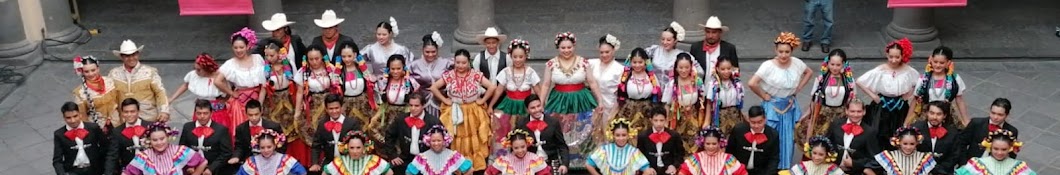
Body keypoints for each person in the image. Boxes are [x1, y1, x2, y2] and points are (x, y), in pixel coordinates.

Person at [748, 32, 814, 169]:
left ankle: (784, 168)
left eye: (787, 52)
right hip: (772, 107)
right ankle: (767, 167)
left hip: (789, 107)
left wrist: (798, 89)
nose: (783, 55)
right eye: (781, 52)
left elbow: (809, 72)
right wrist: (763, 95)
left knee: (788, 140)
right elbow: (752, 83)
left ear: (792, 51)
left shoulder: (797, 63)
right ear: (775, 50)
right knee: (769, 138)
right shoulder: (768, 66)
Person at [540, 32, 605, 162]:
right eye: (563, 48)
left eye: (569, 47)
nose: (566, 50)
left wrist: (600, 101)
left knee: (584, 128)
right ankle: (561, 159)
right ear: (558, 48)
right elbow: (546, 84)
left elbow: (592, 82)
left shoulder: (583, 62)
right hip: (559, 100)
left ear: (574, 46)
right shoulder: (551, 64)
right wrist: (541, 103)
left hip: (581, 100)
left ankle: (585, 161)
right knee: (560, 129)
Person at [429, 49, 498, 173]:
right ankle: (458, 166)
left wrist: (482, 101)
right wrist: (445, 99)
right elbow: (434, 88)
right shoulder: (449, 75)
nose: (460, 66)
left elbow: (492, 87)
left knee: (474, 138)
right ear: (454, 62)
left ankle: (475, 167)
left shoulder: (475, 74)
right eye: (458, 62)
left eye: (463, 63)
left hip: (473, 111)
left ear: (469, 63)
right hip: (455, 110)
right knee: (457, 138)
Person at [856, 38, 919, 150]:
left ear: (902, 56)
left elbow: (919, 83)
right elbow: (860, 81)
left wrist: (909, 94)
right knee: (877, 131)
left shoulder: (908, 70)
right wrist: (873, 96)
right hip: (881, 105)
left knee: (898, 131)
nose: (894, 60)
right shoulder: (881, 69)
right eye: (891, 57)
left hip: (899, 105)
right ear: (887, 55)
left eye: (897, 57)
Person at [489, 39, 540, 159]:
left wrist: (540, 106)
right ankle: (503, 158)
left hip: (525, 105)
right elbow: (499, 90)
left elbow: (539, 90)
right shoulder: (506, 72)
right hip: (509, 104)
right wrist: (491, 105)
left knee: (527, 130)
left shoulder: (530, 72)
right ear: (511, 56)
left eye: (521, 56)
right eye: (515, 56)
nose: (518, 59)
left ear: (526, 56)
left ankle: (528, 157)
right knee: (502, 126)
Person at [796, 49, 855, 145]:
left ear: (843, 64)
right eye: (832, 64)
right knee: (820, 143)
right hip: (823, 114)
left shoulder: (849, 81)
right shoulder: (821, 79)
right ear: (827, 63)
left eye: (838, 65)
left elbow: (852, 99)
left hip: (841, 115)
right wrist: (807, 113)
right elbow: (814, 99)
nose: (835, 68)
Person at [169, 53, 238, 135]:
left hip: (216, 108)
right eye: (195, 69)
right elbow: (185, 85)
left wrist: (226, 99)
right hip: (201, 105)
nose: (196, 71)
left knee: (217, 130)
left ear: (207, 68)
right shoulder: (193, 75)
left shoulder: (219, 76)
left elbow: (228, 88)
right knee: (200, 130)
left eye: (199, 69)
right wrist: (172, 98)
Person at [261, 39, 307, 155]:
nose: (269, 58)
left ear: (279, 54)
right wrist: (259, 105)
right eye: (267, 55)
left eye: (272, 55)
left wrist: (299, 103)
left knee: (293, 129)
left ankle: (293, 155)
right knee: (275, 129)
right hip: (273, 102)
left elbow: (296, 82)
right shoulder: (265, 69)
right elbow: (262, 89)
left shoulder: (288, 64)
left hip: (288, 100)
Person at [108, 39, 170, 122]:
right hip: (124, 119)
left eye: (133, 55)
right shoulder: (114, 74)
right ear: (121, 57)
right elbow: (109, 96)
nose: (131, 58)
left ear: (138, 54)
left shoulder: (150, 72)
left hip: (148, 117)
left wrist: (164, 111)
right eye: (127, 56)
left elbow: (160, 92)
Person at [223, 27, 270, 132]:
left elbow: (264, 83)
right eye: (235, 47)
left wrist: (260, 103)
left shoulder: (257, 58)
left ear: (248, 46)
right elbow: (217, 80)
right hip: (240, 102)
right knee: (242, 130)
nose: (238, 50)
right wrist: (231, 92)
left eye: (241, 47)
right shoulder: (230, 63)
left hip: (258, 97)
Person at [909, 46, 968, 128]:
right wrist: (907, 121)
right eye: (935, 62)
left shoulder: (955, 79)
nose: (937, 65)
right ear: (930, 60)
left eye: (941, 63)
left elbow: (960, 101)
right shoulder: (923, 79)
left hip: (946, 115)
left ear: (948, 63)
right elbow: (915, 100)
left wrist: (966, 121)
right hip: (927, 114)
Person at [296, 45, 341, 147]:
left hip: (329, 105)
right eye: (311, 59)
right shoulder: (303, 72)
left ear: (322, 57)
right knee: (314, 132)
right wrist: (297, 112)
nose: (314, 62)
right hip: (312, 107)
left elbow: (337, 87)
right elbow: (299, 92)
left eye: (317, 58)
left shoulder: (331, 68)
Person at [384, 94, 442, 175]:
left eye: (416, 106)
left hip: (427, 161)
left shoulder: (433, 121)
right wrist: (392, 155)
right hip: (406, 159)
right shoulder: (401, 119)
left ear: (423, 105)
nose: (413, 109)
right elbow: (389, 135)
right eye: (411, 105)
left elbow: (443, 141)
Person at [661, 53, 706, 153]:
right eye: (680, 67)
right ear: (676, 68)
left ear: (691, 67)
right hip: (677, 118)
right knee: (678, 145)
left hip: (693, 117)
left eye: (687, 67)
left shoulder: (697, 81)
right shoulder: (672, 83)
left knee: (694, 146)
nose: (684, 70)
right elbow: (667, 104)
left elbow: (703, 99)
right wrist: (666, 123)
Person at [121, 122, 207, 175]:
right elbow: (127, 173)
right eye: (155, 140)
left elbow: (203, 162)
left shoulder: (179, 151)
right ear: (149, 140)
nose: (159, 143)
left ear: (168, 137)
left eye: (162, 139)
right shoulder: (143, 157)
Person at [514, 94, 569, 174]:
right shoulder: (521, 124)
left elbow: (562, 145)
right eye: (533, 108)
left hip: (551, 163)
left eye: (538, 106)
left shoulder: (553, 122)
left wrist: (564, 164)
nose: (537, 110)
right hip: (529, 165)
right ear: (527, 110)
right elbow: (515, 146)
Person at [309, 94, 365, 173]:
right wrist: (314, 163)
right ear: (326, 109)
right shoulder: (322, 124)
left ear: (342, 108)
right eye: (331, 109)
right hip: (329, 161)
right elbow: (316, 145)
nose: (334, 111)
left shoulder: (352, 123)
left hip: (348, 162)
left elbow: (361, 144)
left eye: (336, 108)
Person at [372, 55, 420, 142]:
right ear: (388, 69)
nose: (395, 72)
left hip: (405, 112)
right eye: (392, 69)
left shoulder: (410, 81)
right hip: (388, 112)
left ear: (404, 68)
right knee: (373, 127)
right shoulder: (384, 81)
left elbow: (416, 97)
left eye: (398, 68)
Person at [179, 99, 234, 175]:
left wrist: (211, 168)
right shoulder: (187, 127)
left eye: (205, 113)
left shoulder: (221, 129)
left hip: (214, 169)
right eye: (199, 113)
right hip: (191, 168)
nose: (202, 116)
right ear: (195, 113)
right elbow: (182, 149)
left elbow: (226, 153)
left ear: (211, 113)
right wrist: (189, 165)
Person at [825, 100, 880, 175]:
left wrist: (854, 163)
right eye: (852, 111)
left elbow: (875, 159)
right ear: (846, 111)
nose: (855, 114)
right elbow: (826, 143)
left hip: (855, 172)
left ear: (864, 112)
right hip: (832, 169)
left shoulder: (869, 132)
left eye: (859, 111)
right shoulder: (836, 124)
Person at [589, 34, 627, 141]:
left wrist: (613, 112)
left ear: (613, 51)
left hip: (610, 106)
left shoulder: (620, 69)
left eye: (607, 52)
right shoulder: (592, 64)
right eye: (601, 52)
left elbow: (620, 94)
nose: (604, 55)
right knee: (592, 136)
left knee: (608, 135)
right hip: (593, 105)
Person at [585, 118, 655, 175]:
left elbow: (647, 169)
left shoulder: (634, 152)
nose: (621, 138)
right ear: (613, 135)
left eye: (624, 135)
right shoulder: (605, 150)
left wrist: (648, 171)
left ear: (628, 135)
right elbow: (588, 164)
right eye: (617, 135)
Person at [53, 102, 107, 175]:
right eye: (68, 118)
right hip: (73, 171)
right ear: (64, 118)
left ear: (80, 114)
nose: (73, 120)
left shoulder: (93, 128)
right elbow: (57, 160)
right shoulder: (59, 134)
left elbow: (106, 148)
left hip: (95, 169)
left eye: (75, 116)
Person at [959, 98, 1019, 163]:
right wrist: (963, 163)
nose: (995, 117)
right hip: (973, 164)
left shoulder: (1011, 131)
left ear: (1007, 115)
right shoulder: (976, 123)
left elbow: (1010, 153)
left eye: (1000, 115)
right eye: (993, 113)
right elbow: (961, 143)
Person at [72, 55, 124, 129]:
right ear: (82, 72)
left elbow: (119, 103)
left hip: (116, 123)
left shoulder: (110, 82)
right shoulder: (81, 92)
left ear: (98, 69)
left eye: (93, 70)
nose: (91, 74)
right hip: (97, 127)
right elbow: (82, 116)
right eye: (86, 71)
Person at [615, 47, 661, 131]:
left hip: (647, 110)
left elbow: (657, 93)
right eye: (634, 62)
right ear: (630, 62)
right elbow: (619, 94)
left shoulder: (651, 76)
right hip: (628, 110)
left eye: (640, 62)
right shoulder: (625, 76)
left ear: (645, 62)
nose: (637, 65)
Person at [410, 31, 454, 117]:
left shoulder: (447, 64)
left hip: (441, 101)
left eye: (433, 52)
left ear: (438, 50)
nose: (430, 55)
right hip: (422, 102)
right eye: (427, 52)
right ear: (422, 50)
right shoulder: (413, 65)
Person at [911, 101, 961, 175]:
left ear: (944, 116)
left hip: (943, 171)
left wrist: (938, 169)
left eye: (939, 114)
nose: (934, 117)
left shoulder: (952, 133)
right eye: (932, 113)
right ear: (927, 113)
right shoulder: (915, 129)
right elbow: (910, 150)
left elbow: (954, 155)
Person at [954, 130, 1037, 175]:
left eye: (1004, 149)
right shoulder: (977, 164)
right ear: (990, 147)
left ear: (1010, 148)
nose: (999, 152)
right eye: (996, 149)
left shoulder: (1019, 167)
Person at [726, 106, 780, 175]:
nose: (756, 126)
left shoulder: (773, 134)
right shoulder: (738, 130)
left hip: (762, 172)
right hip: (739, 171)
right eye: (753, 122)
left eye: (760, 122)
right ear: (748, 119)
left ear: (765, 119)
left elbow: (773, 159)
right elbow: (730, 153)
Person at [231, 100, 286, 165]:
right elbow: (239, 146)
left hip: (271, 159)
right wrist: (236, 156)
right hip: (250, 160)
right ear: (245, 114)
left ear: (261, 112)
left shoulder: (273, 126)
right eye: (250, 115)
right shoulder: (241, 128)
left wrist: (274, 157)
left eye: (256, 114)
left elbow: (282, 144)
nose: (254, 118)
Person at [863, 127, 936, 175]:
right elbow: (867, 170)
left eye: (912, 144)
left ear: (917, 142)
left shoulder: (925, 158)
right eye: (905, 144)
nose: (908, 147)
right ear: (898, 142)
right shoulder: (889, 156)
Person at [405, 125, 474, 175]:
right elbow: (409, 172)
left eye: (439, 140)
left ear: (444, 141)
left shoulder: (453, 156)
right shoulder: (422, 158)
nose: (436, 143)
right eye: (433, 141)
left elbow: (470, 170)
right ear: (429, 141)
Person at [335, 42, 375, 126]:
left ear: (355, 55)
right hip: (346, 104)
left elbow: (369, 82)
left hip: (362, 103)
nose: (346, 59)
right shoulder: (338, 71)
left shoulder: (361, 68)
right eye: (343, 56)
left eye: (349, 56)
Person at [636, 107, 685, 175]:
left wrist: (674, 166)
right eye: (655, 120)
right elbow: (639, 155)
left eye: (661, 120)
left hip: (668, 170)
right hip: (650, 170)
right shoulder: (643, 136)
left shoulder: (674, 135)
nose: (658, 124)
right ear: (651, 120)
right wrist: (646, 168)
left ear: (666, 120)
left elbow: (680, 154)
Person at [237, 129, 309, 175]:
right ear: (258, 147)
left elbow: (302, 172)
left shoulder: (284, 159)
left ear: (275, 145)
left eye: (269, 147)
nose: (266, 150)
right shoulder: (252, 161)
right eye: (262, 147)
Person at [679, 127, 747, 175]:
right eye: (707, 144)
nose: (710, 147)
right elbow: (683, 172)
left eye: (714, 144)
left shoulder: (728, 159)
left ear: (719, 143)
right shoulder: (696, 158)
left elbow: (742, 173)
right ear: (703, 143)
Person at [105, 98, 146, 175]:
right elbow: (112, 155)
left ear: (138, 111)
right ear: (122, 113)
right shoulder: (117, 132)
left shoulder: (149, 126)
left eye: (132, 111)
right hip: (129, 171)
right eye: (126, 112)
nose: (129, 115)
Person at [485, 129, 552, 175]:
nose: (520, 151)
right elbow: (488, 173)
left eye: (523, 147)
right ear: (511, 146)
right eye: (516, 148)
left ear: (527, 144)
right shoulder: (504, 160)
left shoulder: (534, 159)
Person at [324, 131, 393, 175]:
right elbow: (325, 173)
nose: (355, 151)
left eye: (358, 147)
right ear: (347, 147)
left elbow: (390, 173)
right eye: (352, 147)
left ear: (364, 147)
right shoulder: (340, 161)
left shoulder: (373, 160)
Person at [706, 56, 744, 134]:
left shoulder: (736, 83)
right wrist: (707, 121)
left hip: (735, 116)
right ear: (717, 69)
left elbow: (740, 103)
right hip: (720, 117)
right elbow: (709, 103)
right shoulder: (713, 84)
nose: (726, 71)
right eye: (723, 69)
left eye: (728, 68)